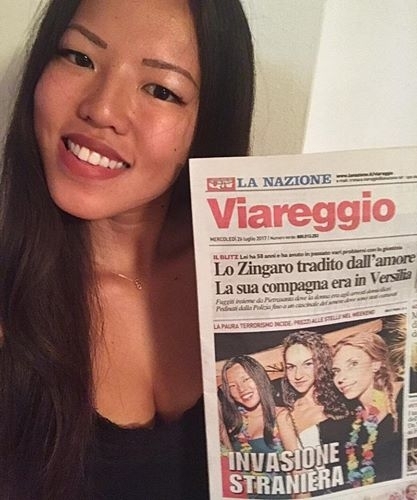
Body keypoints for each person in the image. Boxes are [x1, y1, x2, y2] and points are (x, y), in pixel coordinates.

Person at [0, 0, 254, 498]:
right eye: (79, 57)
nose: (102, 109)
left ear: (209, 122)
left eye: (161, 90)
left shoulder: (264, 282)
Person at [220, 355, 298, 499]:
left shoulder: (281, 417)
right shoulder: (233, 425)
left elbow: (298, 473)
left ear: (258, 377)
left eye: (246, 379)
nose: (242, 389)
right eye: (232, 386)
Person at [331, 332, 402, 487]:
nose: (340, 378)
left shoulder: (403, 397)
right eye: (336, 371)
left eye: (353, 364)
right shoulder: (352, 420)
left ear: (375, 364)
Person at [281, 331, 349, 448]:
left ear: (321, 363)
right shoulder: (286, 417)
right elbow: (294, 458)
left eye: (307, 364)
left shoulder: (346, 396)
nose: (298, 375)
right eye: (291, 367)